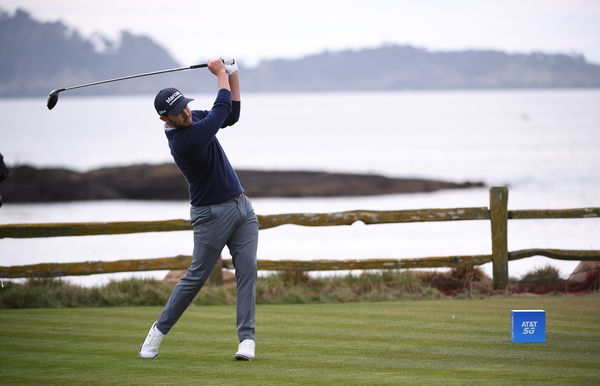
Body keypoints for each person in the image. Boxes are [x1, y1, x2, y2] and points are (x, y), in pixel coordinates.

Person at [139, 58, 258, 361]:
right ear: (165, 118)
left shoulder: (193, 121)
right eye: (179, 112)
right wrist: (219, 74)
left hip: (241, 207)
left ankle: (247, 340)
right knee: (195, 278)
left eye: (187, 106)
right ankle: (158, 331)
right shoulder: (184, 141)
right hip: (210, 216)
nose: (187, 112)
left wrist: (233, 74)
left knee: (247, 272)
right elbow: (219, 111)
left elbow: (230, 114)